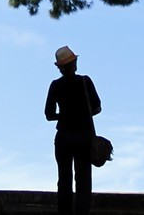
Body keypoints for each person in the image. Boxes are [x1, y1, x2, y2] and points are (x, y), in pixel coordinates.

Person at [45, 44, 101, 208]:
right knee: (83, 179)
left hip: (64, 136)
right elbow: (97, 107)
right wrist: (81, 114)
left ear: (60, 68)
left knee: (64, 178)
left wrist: (64, 116)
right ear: (73, 64)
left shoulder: (55, 85)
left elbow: (49, 114)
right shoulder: (85, 81)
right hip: (84, 136)